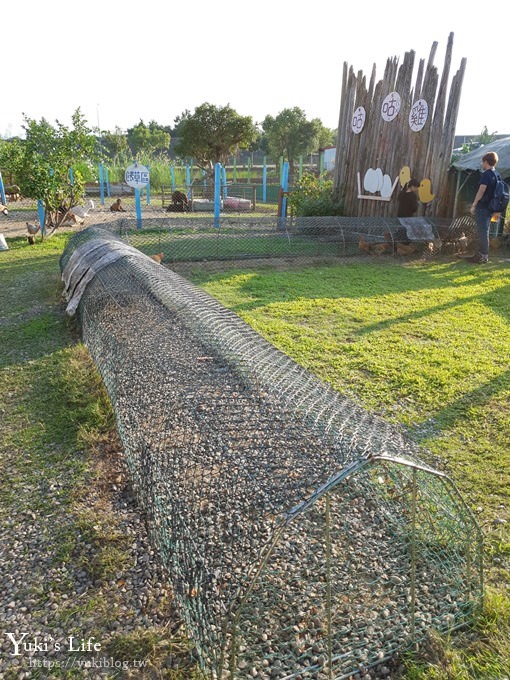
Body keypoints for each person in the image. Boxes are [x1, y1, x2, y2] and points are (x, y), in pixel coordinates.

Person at [469, 151, 501, 264]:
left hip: (483, 207)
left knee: (482, 231)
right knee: (484, 231)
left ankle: (483, 256)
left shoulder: (486, 174)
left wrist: (474, 204)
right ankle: (482, 254)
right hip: (491, 207)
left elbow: (481, 190)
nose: (482, 164)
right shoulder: (497, 175)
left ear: (486, 162)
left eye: (482, 162)